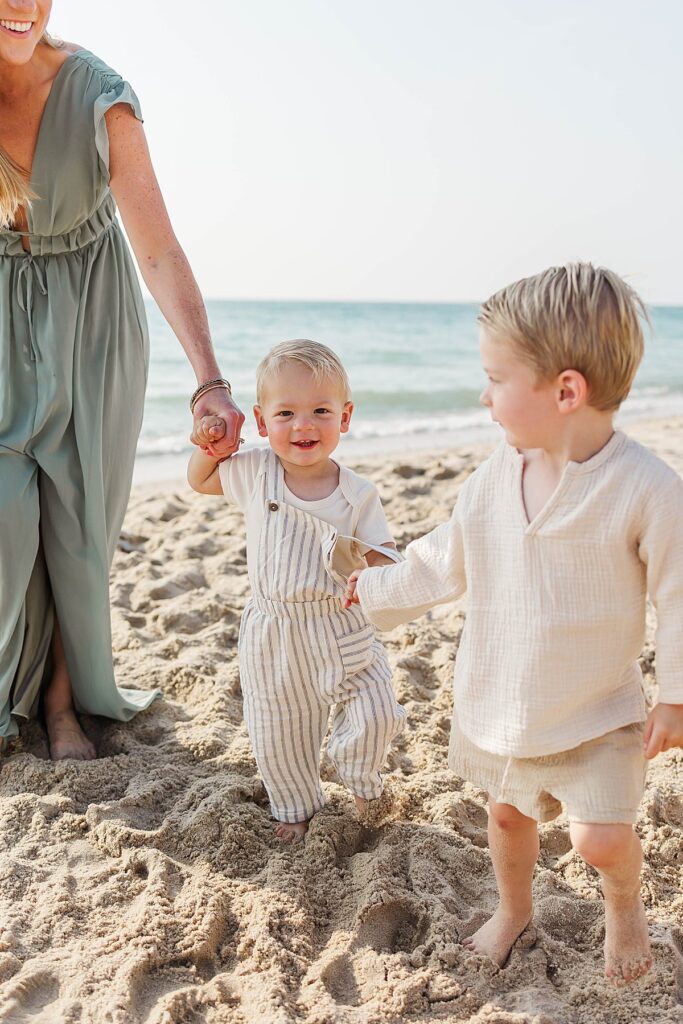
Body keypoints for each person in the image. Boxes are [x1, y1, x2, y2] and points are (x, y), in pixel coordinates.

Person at [345, 263, 683, 983]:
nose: (483, 394)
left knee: (600, 839)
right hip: (503, 702)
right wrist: (371, 590)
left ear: (565, 390)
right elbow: (440, 559)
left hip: (596, 710)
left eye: (496, 378)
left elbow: (678, 595)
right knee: (505, 820)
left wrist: (675, 694)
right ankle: (513, 908)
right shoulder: (494, 477)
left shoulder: (645, 489)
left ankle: (623, 906)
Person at [0, 5, 243, 760]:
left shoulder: (102, 95)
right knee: (7, 523)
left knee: (79, 529)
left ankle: (63, 703)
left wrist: (209, 380)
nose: (21, 6)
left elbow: (159, 251)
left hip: (94, 325)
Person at [188, 340, 406, 841]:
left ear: (345, 417)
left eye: (320, 411)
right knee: (280, 729)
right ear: (262, 423)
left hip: (341, 625)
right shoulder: (254, 471)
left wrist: (376, 571)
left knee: (377, 711)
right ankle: (295, 806)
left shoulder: (358, 492)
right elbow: (201, 481)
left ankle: (358, 772)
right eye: (286, 413)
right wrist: (211, 446)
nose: (303, 425)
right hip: (274, 631)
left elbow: (385, 552)